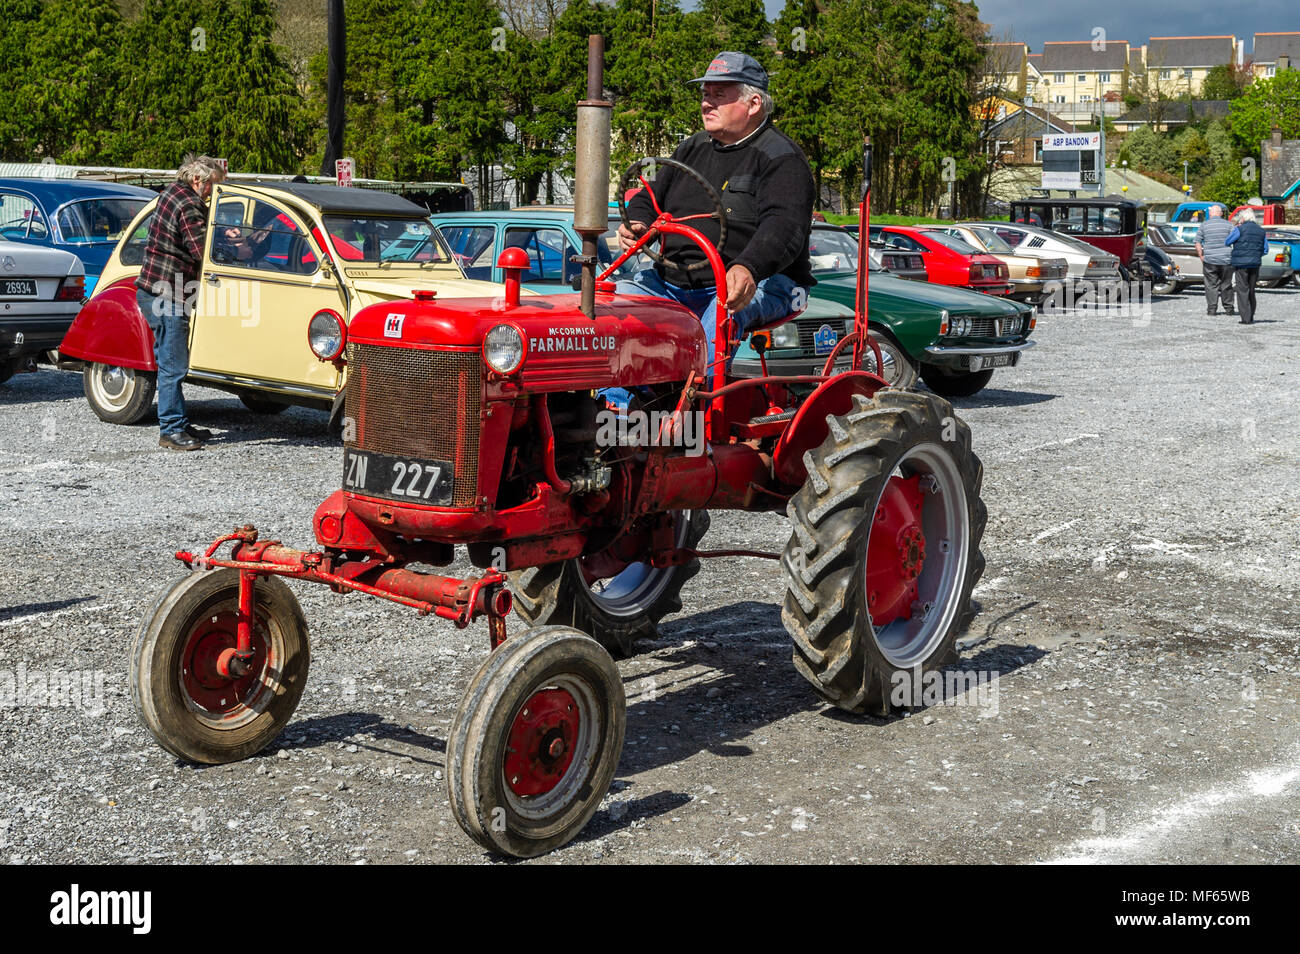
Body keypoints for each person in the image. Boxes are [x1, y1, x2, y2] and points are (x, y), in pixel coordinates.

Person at [617, 51, 815, 368]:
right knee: (614, 303)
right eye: (705, 94)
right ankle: (617, 408)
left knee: (720, 316)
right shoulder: (689, 147)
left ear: (754, 104)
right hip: (672, 282)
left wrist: (749, 266)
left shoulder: (782, 158)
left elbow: (784, 227)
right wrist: (638, 222)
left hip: (761, 283)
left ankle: (699, 405)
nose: (707, 103)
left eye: (719, 95)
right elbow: (648, 194)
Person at [135, 154, 224, 451]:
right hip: (169, 295)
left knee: (169, 362)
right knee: (174, 366)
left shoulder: (173, 192)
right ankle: (171, 430)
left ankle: (179, 422)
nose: (212, 192)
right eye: (212, 185)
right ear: (198, 180)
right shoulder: (189, 204)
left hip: (151, 290)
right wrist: (232, 243)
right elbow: (203, 251)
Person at [1225, 208, 1267, 324]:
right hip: (1255, 263)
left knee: (1242, 290)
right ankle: (1251, 316)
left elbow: (1227, 241)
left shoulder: (1239, 229)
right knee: (1252, 290)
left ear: (1242, 218)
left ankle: (1246, 318)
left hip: (1241, 264)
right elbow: (1265, 249)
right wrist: (1256, 255)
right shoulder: (1261, 231)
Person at [1194, 204, 1235, 316]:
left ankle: (1212, 310)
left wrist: (1201, 255)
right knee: (1226, 284)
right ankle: (1229, 309)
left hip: (1210, 259)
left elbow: (1197, 242)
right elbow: (1235, 240)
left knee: (1211, 285)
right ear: (1221, 214)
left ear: (1210, 214)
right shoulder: (1229, 225)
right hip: (1226, 259)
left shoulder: (1204, 225)